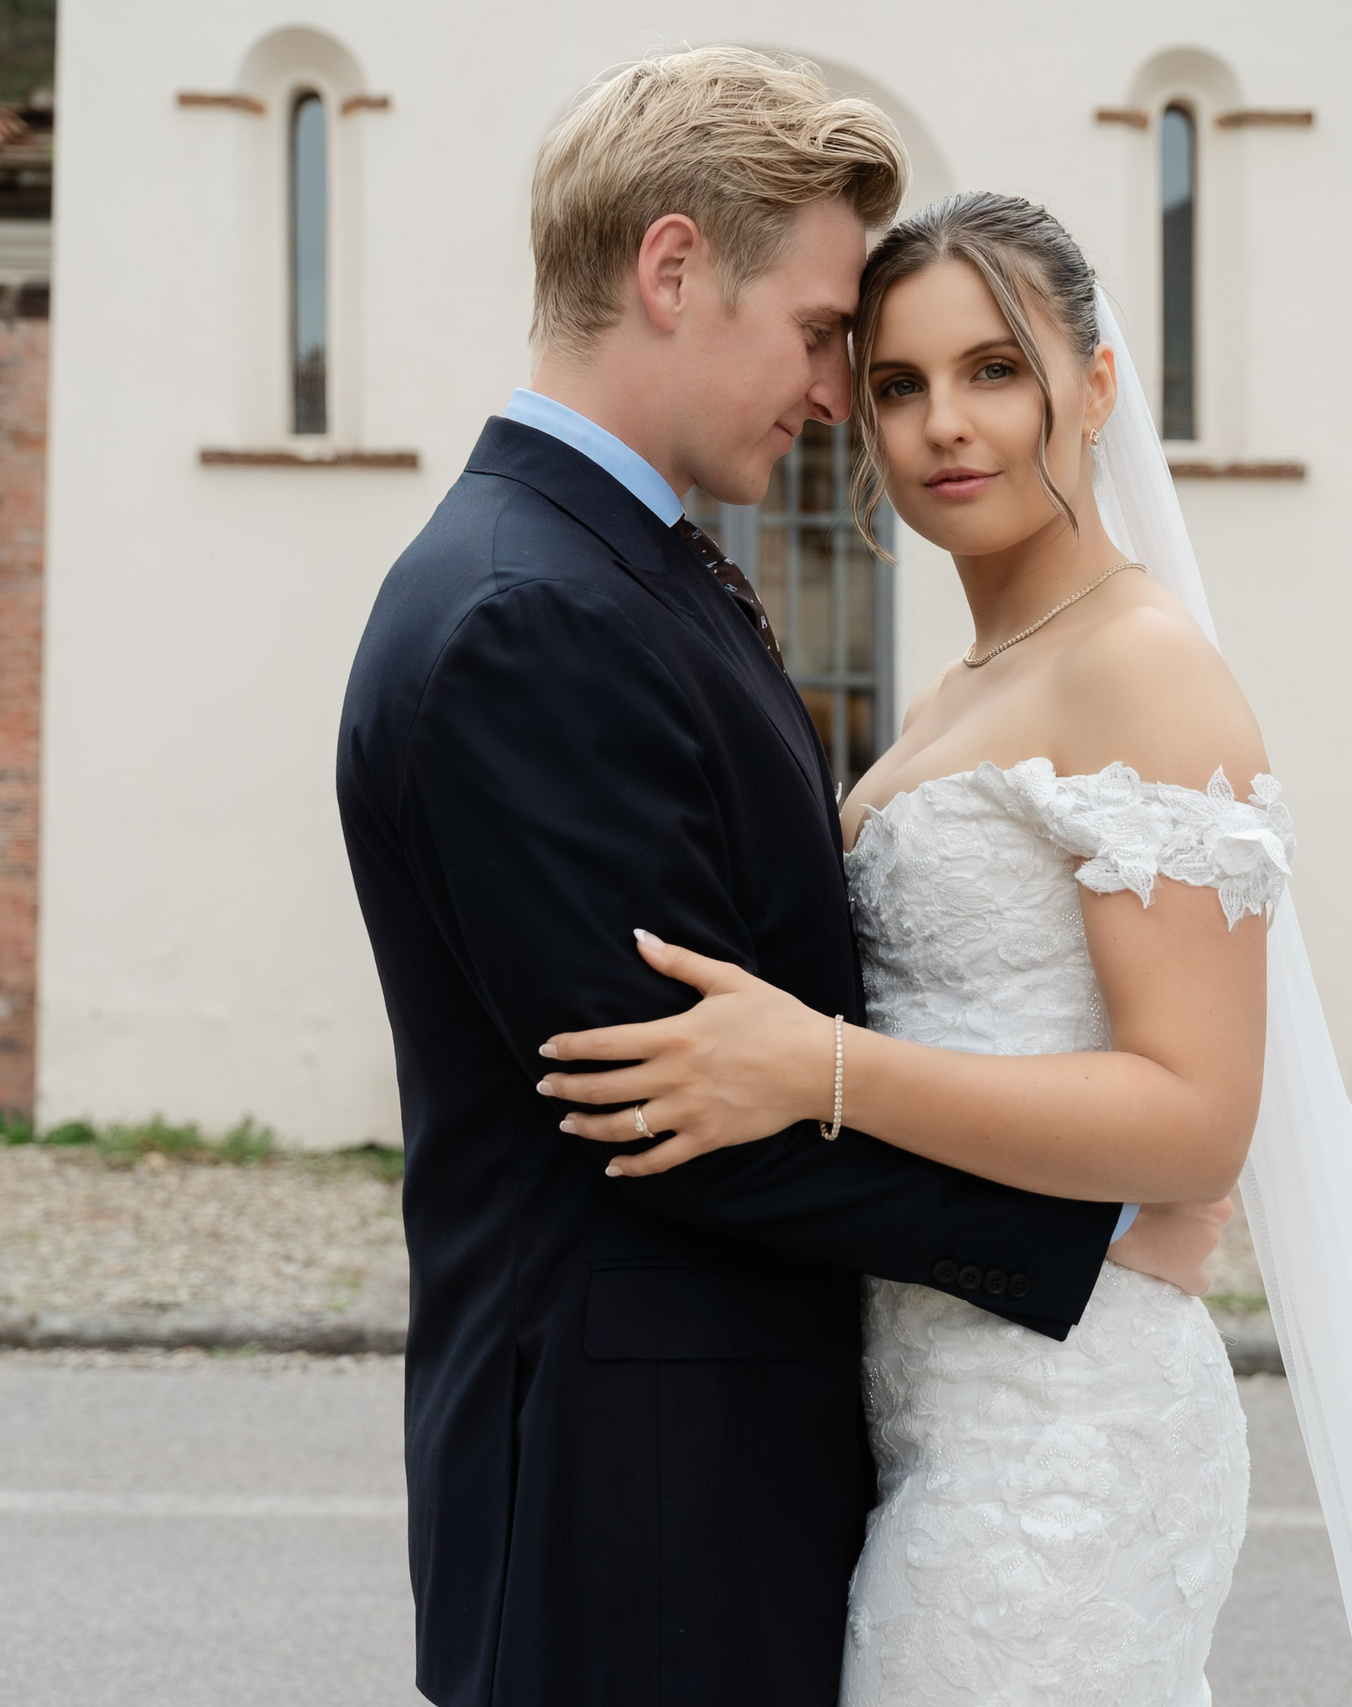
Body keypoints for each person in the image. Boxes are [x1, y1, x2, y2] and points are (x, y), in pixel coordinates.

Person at [543, 192, 1352, 1707]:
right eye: (898, 383)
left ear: (1096, 383)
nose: (948, 423)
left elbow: (1198, 1120)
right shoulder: (963, 683)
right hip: (934, 1403)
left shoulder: (1141, 669)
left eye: (994, 370)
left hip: (1056, 1444)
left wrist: (817, 1068)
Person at [334, 50, 1224, 1707]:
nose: (840, 395)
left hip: (742, 1465)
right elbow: (666, 1107)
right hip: (633, 1493)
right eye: (831, 338)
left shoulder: (618, 570)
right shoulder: (531, 614)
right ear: (674, 271)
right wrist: (1079, 1230)